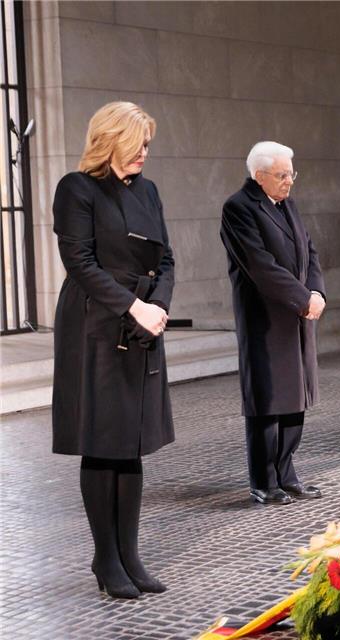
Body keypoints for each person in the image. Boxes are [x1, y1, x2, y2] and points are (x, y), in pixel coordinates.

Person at [52, 102, 174, 599]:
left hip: (143, 323)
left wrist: (158, 307)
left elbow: (165, 258)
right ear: (111, 138)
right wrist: (132, 307)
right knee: (103, 442)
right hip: (96, 325)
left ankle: (130, 554)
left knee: (132, 442)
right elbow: (78, 261)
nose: (145, 152)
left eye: (147, 144)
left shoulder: (148, 191)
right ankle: (106, 559)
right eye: (138, 142)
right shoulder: (76, 188)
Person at [221, 141, 326, 505]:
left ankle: (287, 473)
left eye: (291, 174)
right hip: (265, 319)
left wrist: (317, 292)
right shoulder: (238, 208)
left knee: (295, 396)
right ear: (258, 175)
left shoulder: (288, 205)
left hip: (297, 315)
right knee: (268, 400)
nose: (289, 181)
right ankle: (263, 480)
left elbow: (309, 251)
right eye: (282, 175)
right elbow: (260, 265)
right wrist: (302, 298)